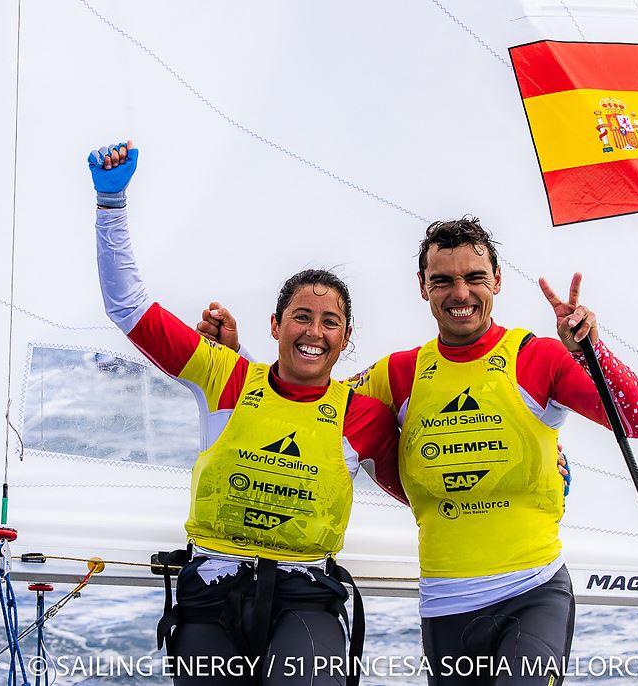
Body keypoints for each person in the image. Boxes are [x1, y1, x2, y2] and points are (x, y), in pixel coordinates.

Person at [198, 217, 638, 685]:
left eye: (474, 278)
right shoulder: (398, 374)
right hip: (446, 607)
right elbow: (305, 403)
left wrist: (589, 352)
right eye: (443, 280)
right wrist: (238, 362)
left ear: (497, 281)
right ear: (423, 287)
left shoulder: (537, 358)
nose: (460, 293)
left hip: (532, 590)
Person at [88, 139, 407, 686]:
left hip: (306, 596)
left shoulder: (364, 416)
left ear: (346, 338)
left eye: (330, 322)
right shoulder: (224, 377)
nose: (314, 332)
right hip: (211, 590)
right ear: (276, 324)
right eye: (301, 317)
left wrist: (543, 470)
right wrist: (110, 204)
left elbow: (426, 487)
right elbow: (129, 308)